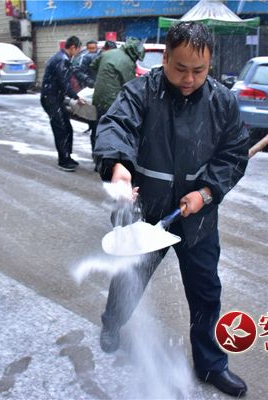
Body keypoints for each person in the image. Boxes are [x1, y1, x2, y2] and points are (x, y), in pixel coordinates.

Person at [93, 22, 250, 397]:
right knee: (130, 277)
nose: (189, 79)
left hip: (197, 217)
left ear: (210, 64)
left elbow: (233, 153)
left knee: (205, 290)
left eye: (199, 70)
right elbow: (116, 126)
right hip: (147, 211)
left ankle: (211, 364)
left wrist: (207, 192)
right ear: (164, 58)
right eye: (180, 68)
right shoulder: (140, 93)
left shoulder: (222, 102)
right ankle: (112, 323)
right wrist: (118, 166)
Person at [90, 37, 144, 155]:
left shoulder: (108, 53)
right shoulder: (128, 62)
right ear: (134, 53)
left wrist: (103, 77)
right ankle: (105, 156)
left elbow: (93, 65)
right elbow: (131, 86)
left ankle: (96, 152)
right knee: (110, 129)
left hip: (99, 97)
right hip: (113, 101)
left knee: (98, 125)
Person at [40, 36, 85, 172]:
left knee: (67, 127)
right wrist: (76, 97)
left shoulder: (62, 58)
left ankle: (67, 156)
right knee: (61, 128)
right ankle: (63, 160)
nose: (78, 53)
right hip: (50, 98)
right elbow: (64, 82)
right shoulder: (61, 59)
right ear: (73, 47)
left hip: (55, 97)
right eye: (78, 50)